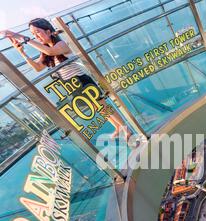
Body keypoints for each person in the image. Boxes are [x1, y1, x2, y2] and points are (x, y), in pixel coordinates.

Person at [2, 18, 130, 139]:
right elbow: (38, 67)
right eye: (33, 34)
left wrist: (20, 37)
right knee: (97, 107)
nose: (36, 36)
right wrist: (22, 53)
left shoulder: (60, 44)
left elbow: (50, 52)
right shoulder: (46, 52)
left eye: (38, 32)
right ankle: (117, 126)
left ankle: (126, 129)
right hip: (72, 85)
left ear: (48, 31)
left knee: (102, 105)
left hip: (81, 80)